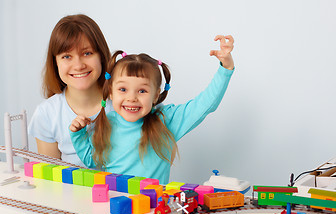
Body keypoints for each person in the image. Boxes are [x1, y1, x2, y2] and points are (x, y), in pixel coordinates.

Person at [69, 35, 235, 184]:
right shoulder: (107, 123)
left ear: (155, 95)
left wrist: (225, 69)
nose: (132, 98)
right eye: (123, 89)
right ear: (111, 92)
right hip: (115, 208)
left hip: (153, 209)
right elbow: (92, 161)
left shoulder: (165, 120)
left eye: (142, 91)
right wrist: (78, 135)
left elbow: (204, 105)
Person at [28, 14, 113, 167]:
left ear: (101, 55)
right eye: (67, 56)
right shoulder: (46, 114)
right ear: (56, 63)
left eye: (87, 53)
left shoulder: (124, 103)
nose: (79, 65)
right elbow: (50, 178)